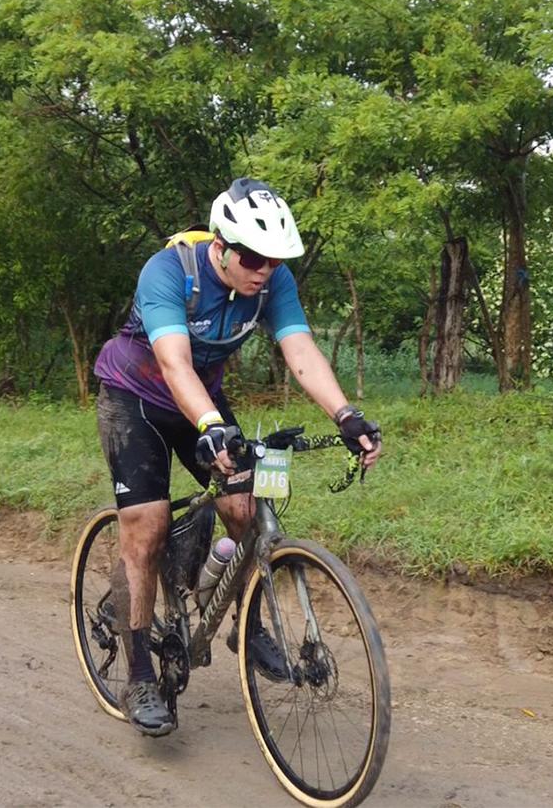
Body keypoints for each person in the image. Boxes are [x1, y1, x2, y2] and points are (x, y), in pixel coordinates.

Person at [92, 178, 382, 736]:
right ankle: (139, 675)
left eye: (274, 261)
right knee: (147, 526)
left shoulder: (273, 281)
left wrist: (345, 414)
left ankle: (244, 625)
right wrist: (210, 427)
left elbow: (299, 349)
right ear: (220, 246)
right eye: (252, 258)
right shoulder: (170, 271)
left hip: (202, 398)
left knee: (246, 509)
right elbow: (174, 363)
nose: (263, 271)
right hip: (137, 397)